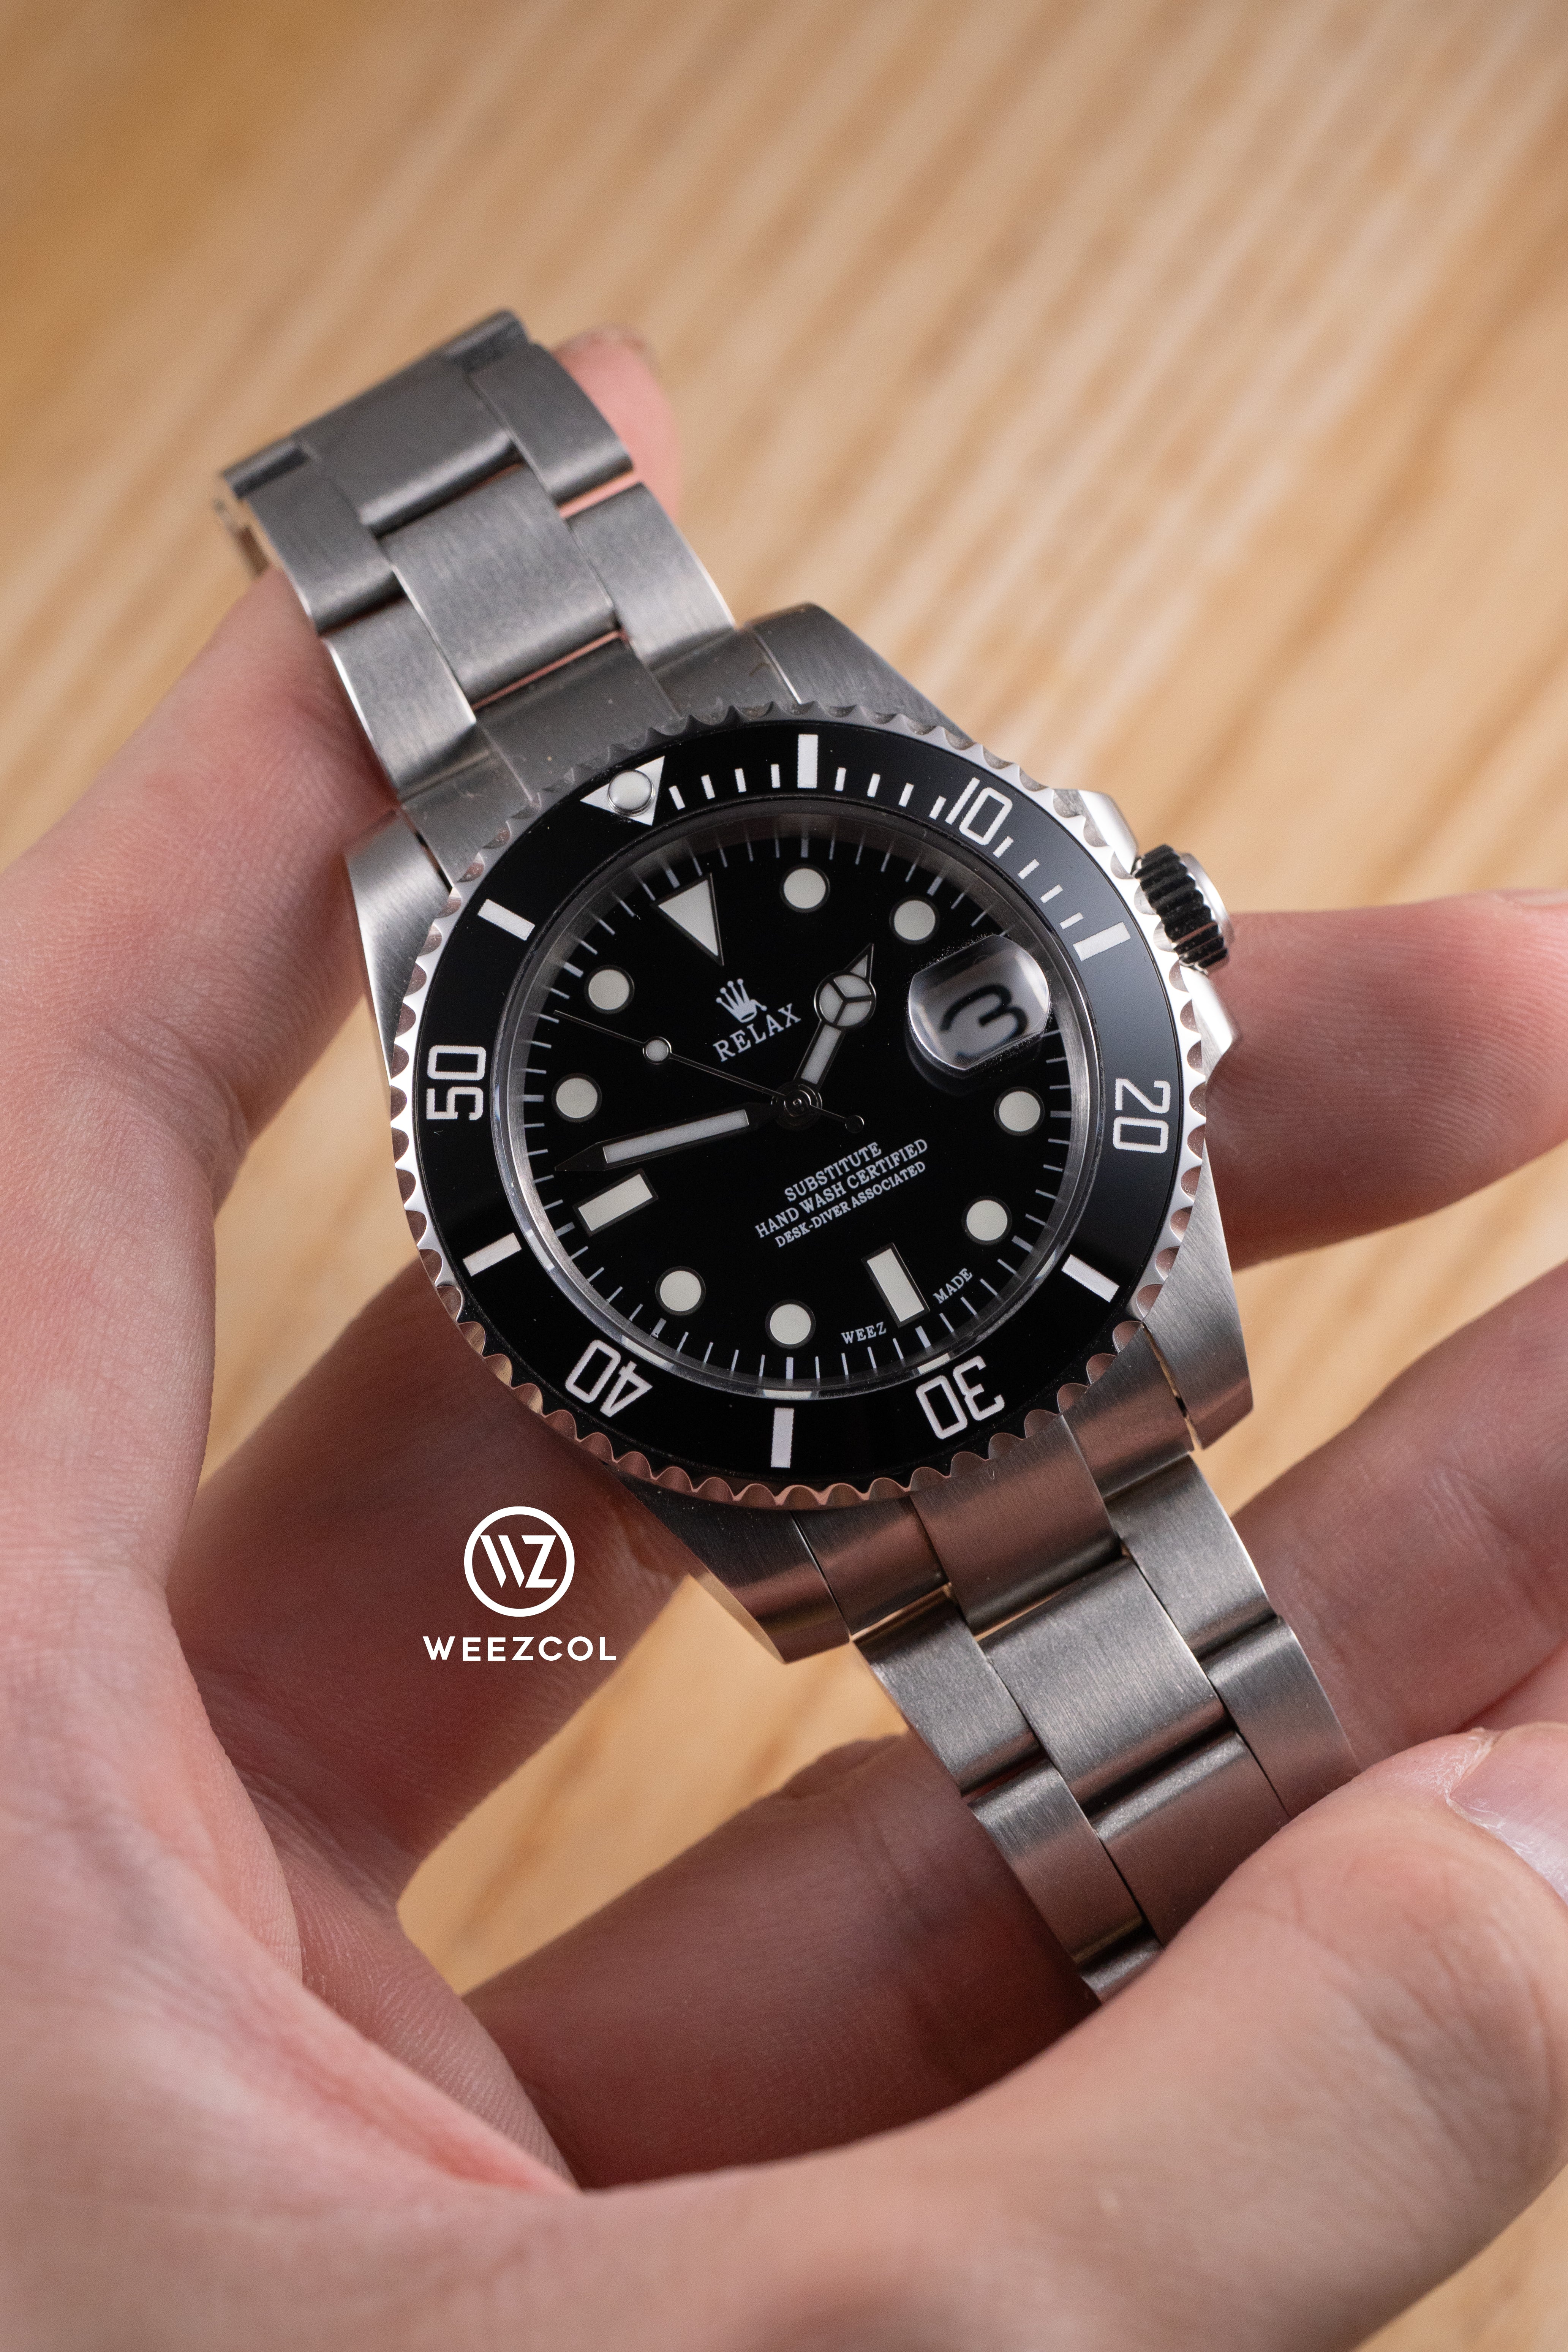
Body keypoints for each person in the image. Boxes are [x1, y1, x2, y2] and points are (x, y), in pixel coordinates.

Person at [3, 325, 1567, 2350]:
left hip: (985, 1328)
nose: (803, 1114)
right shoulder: (456, 966)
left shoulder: (825, 770)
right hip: (846, 1411)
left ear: (1149, 947)